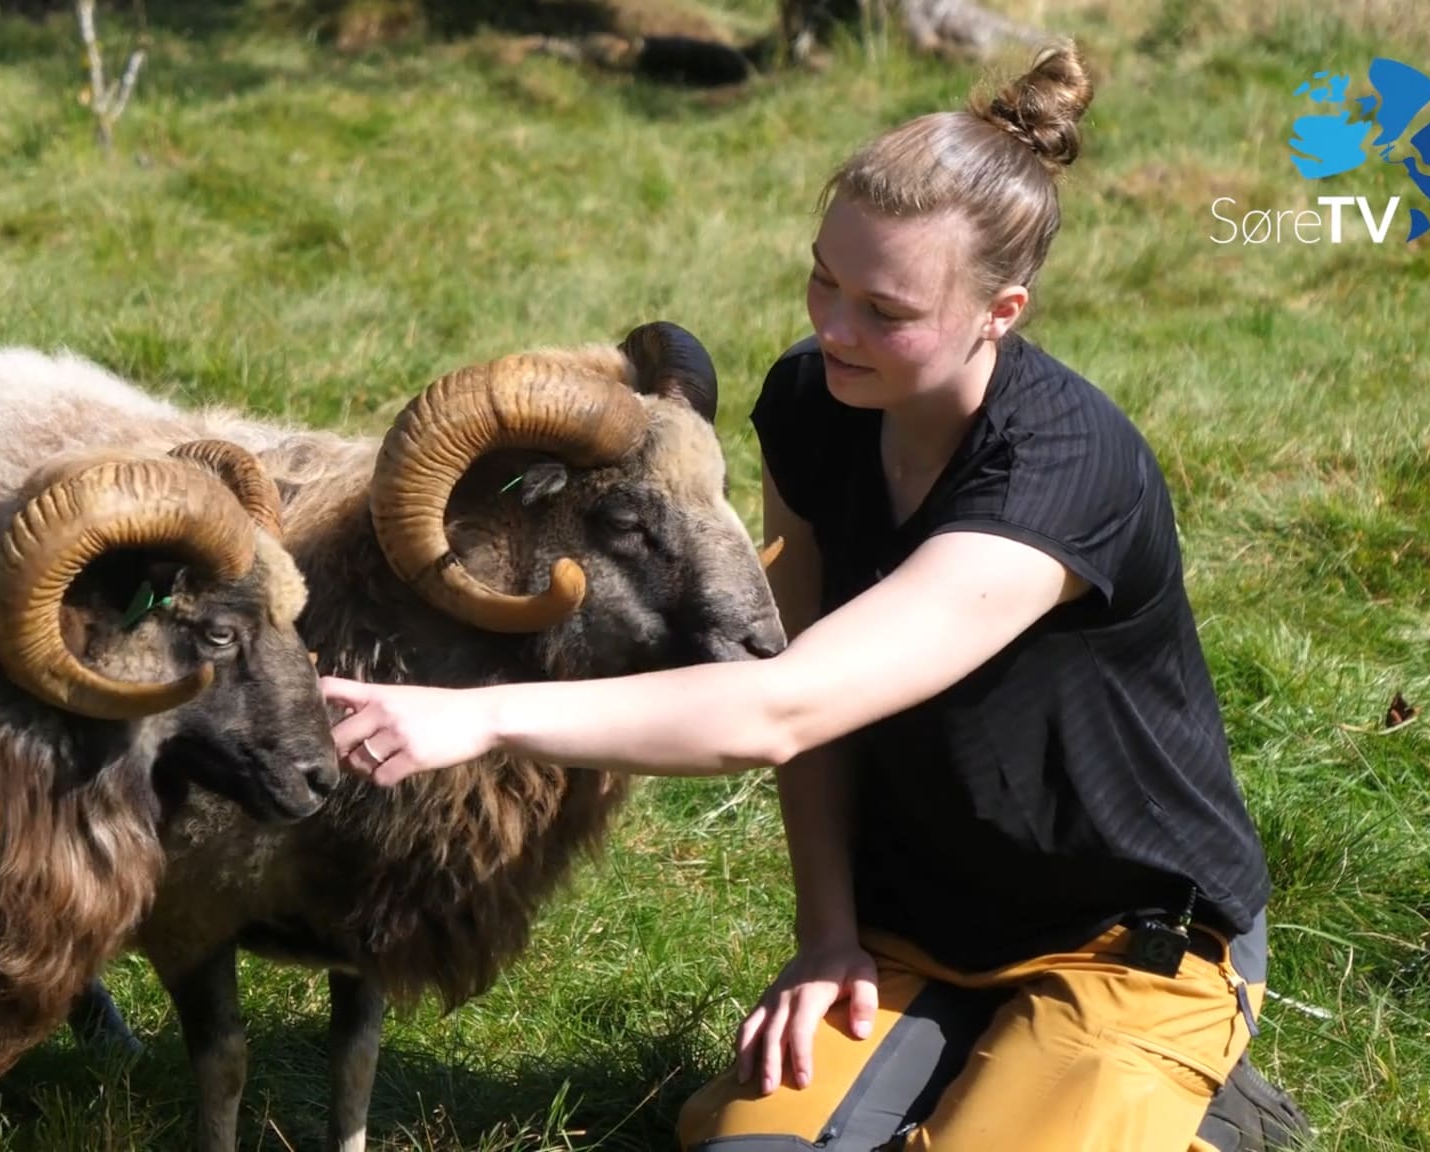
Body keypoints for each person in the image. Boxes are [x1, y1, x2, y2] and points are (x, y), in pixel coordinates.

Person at [321, 40, 1302, 1152]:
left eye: (883, 311)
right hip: (916, 919)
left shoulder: (1061, 470)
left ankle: (1212, 1114)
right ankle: (988, 1061)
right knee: (741, 1148)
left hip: (1126, 938)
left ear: (1003, 310)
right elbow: (803, 673)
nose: (833, 330)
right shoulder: (814, 400)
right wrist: (826, 932)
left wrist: (485, 715)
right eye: (822, 281)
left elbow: (776, 707)